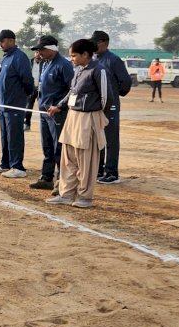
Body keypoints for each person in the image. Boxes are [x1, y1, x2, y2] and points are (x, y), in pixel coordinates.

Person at [46, 39, 110, 209]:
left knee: (86, 161)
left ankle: (84, 197)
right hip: (72, 117)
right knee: (68, 158)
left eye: (74, 55)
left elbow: (106, 98)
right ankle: (66, 194)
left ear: (85, 54)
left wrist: (97, 116)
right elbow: (72, 92)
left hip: (88, 118)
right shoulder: (78, 70)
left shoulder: (99, 70)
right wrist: (59, 106)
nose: (71, 58)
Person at [29, 35, 74, 191]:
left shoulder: (64, 65)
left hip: (57, 114)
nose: (39, 52)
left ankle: (61, 182)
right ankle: (46, 178)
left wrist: (60, 106)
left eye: (42, 49)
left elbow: (72, 90)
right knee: (47, 146)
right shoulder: (46, 64)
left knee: (58, 148)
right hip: (44, 112)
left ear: (52, 49)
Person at [0, 29, 34, 178]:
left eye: (2, 41)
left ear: (11, 40)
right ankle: (6, 163)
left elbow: (27, 80)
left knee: (15, 135)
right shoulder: (6, 57)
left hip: (14, 104)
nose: (0, 44)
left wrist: (25, 96)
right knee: (5, 135)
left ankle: (17, 166)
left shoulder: (19, 57)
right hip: (4, 104)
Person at [92, 30, 131, 184]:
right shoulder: (94, 59)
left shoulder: (114, 60)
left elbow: (126, 82)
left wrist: (115, 94)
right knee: (97, 139)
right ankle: (99, 169)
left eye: (96, 42)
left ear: (104, 43)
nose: (93, 45)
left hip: (111, 107)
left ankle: (111, 173)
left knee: (111, 140)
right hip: (97, 106)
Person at [24, 53, 43, 132]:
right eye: (37, 52)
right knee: (28, 107)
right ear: (34, 53)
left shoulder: (45, 62)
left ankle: (44, 125)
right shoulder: (29, 62)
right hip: (31, 88)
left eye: (40, 52)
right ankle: (27, 124)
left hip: (41, 89)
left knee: (42, 107)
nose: (38, 54)